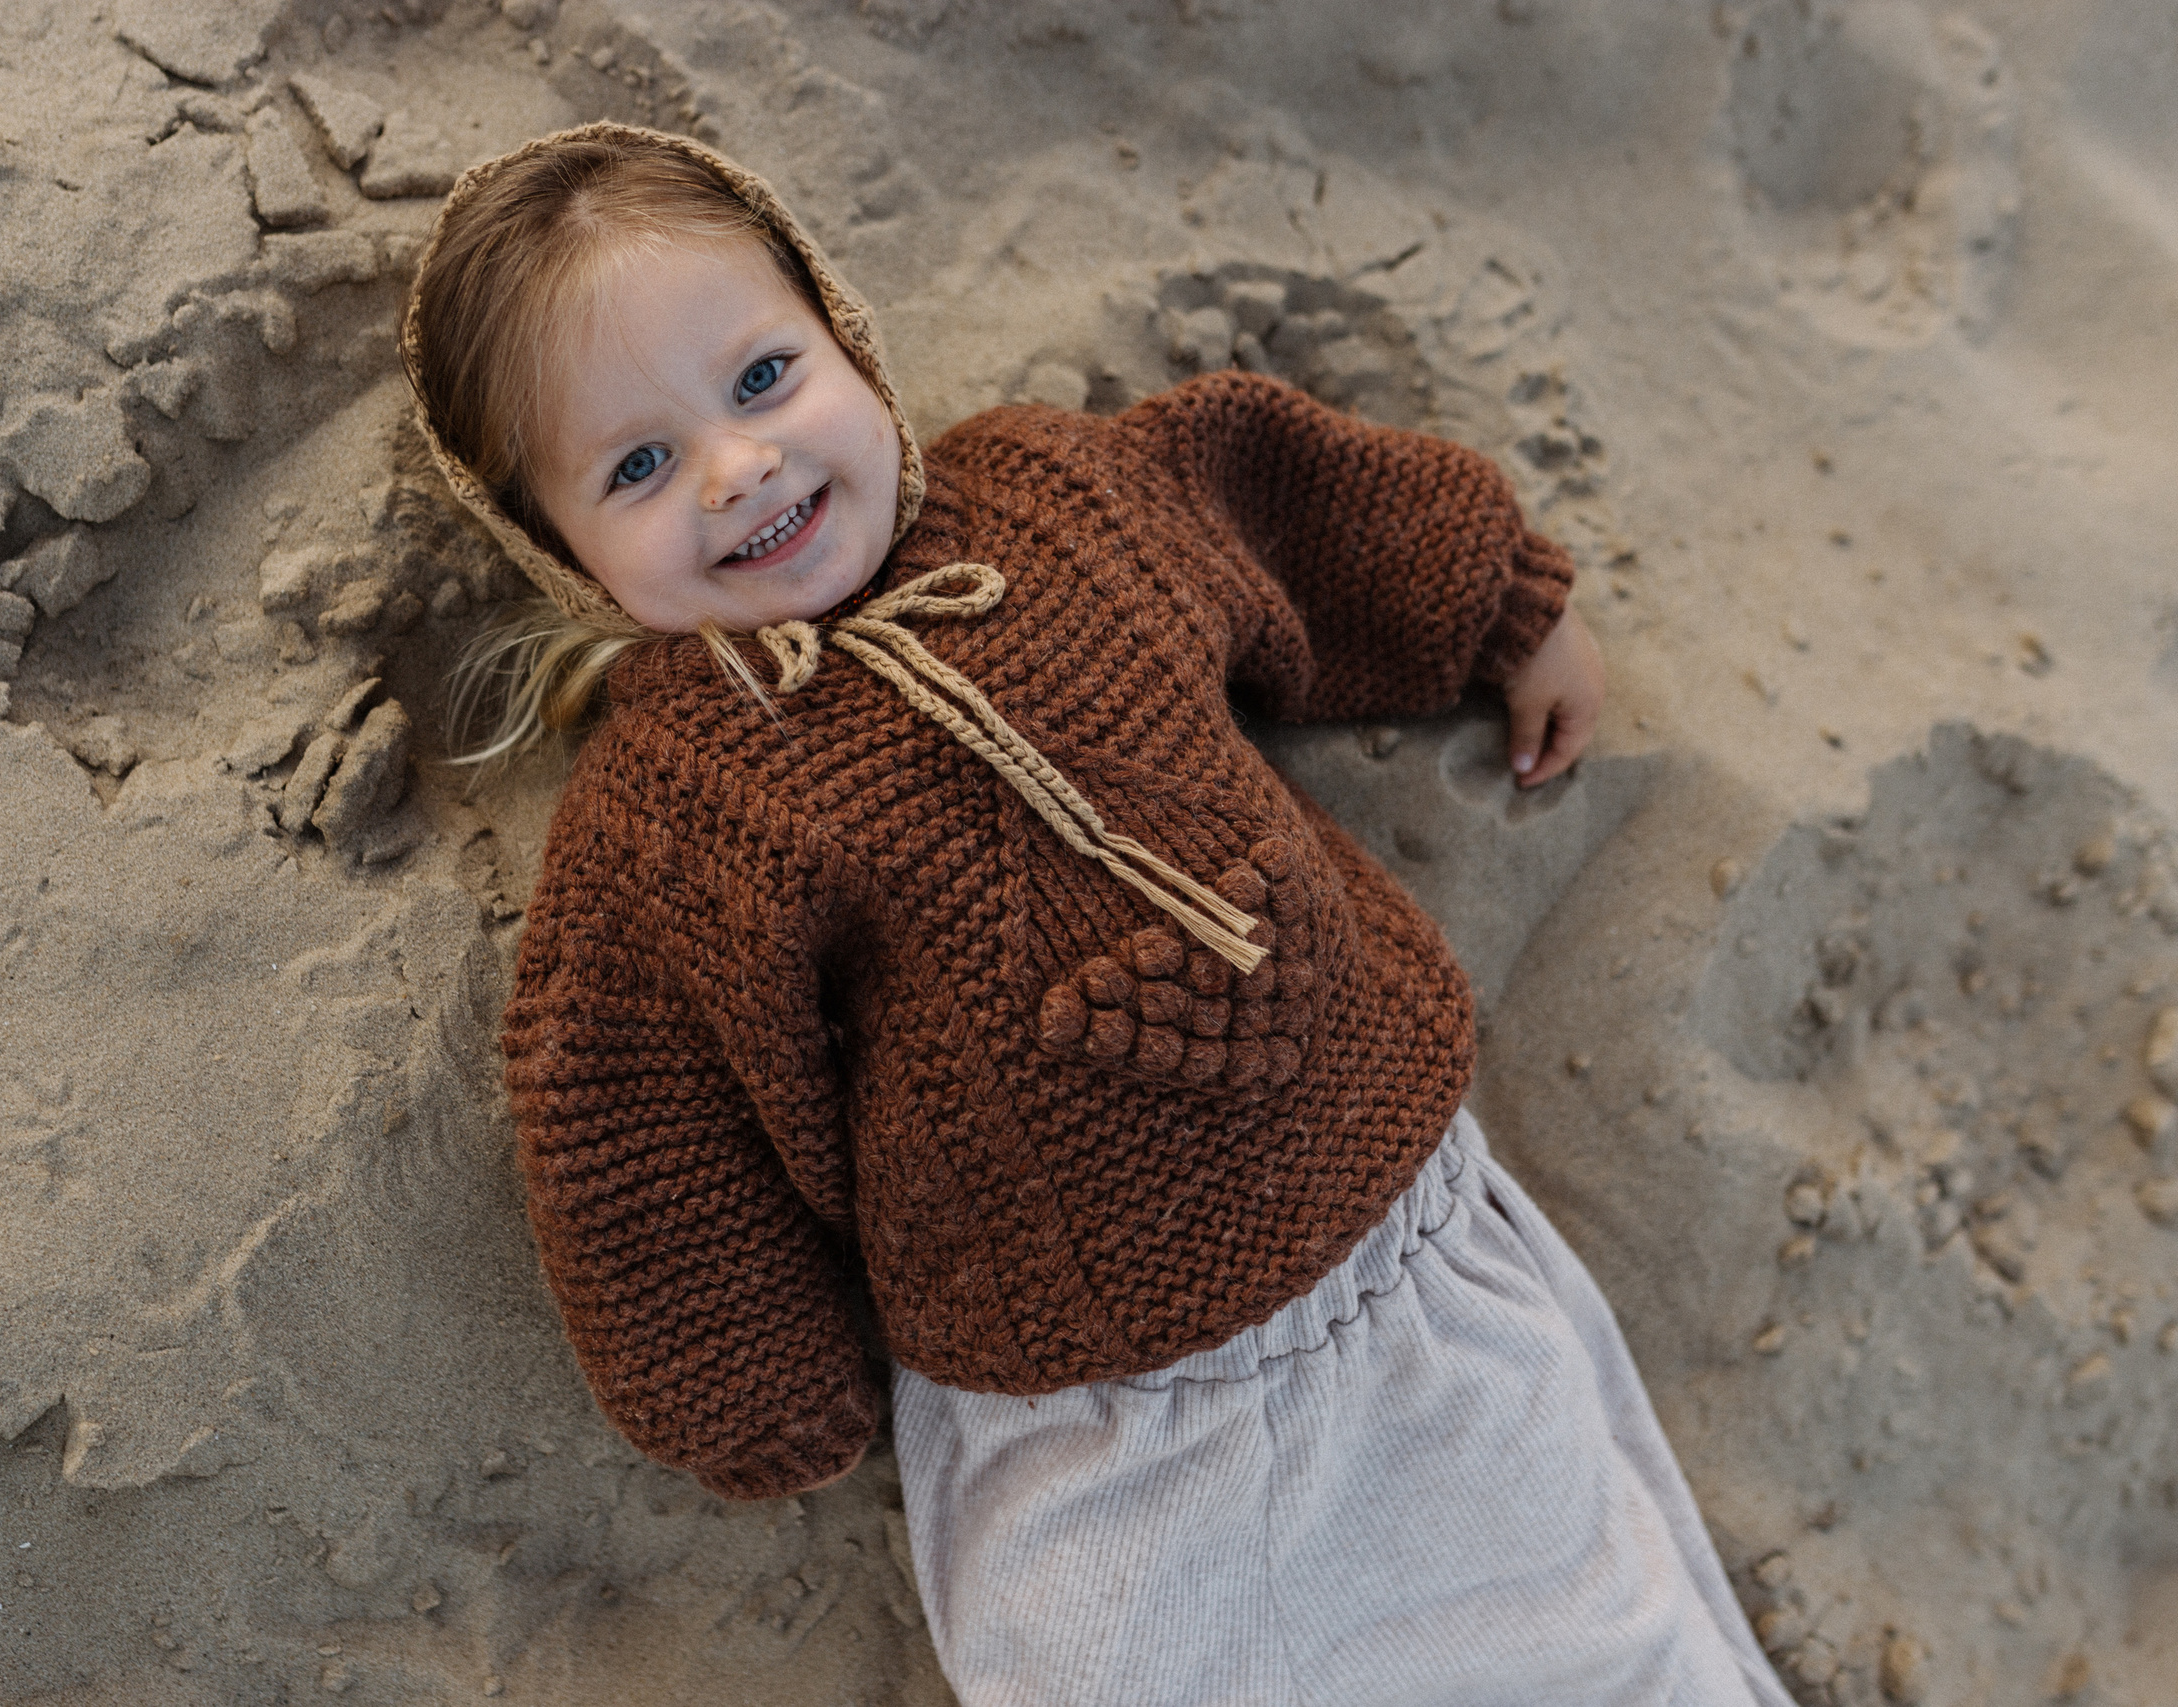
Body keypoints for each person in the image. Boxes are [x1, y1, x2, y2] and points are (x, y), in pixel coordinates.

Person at [401, 121, 1793, 1707]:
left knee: (1594, 1637)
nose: (737, 467)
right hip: (1093, 1426)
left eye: (765, 378)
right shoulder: (674, 809)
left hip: (1399, 1272)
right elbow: (633, 1100)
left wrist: (1495, 603)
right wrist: (744, 1378)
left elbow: (1271, 503)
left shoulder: (1050, 501)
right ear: (560, 549)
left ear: (844, 336)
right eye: (638, 468)